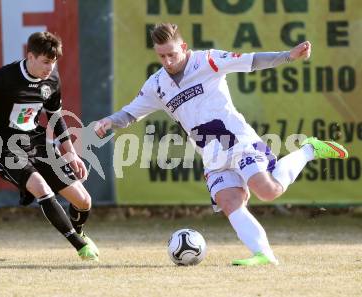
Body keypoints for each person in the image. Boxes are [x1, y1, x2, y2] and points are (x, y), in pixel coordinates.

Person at [95, 23, 349, 266]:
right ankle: (264, 255)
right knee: (230, 203)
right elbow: (130, 113)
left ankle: (309, 149)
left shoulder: (207, 60)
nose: (167, 61)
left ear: (183, 47)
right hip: (211, 155)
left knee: (268, 191)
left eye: (171, 54)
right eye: (161, 56)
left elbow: (251, 61)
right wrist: (108, 121)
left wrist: (288, 56)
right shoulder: (157, 84)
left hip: (238, 140)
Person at [0, 32, 99, 261]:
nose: (50, 68)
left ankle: (78, 231)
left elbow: (54, 116)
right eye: (46, 62)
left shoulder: (51, 80)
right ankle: (80, 246)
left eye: (54, 62)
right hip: (3, 146)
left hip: (36, 143)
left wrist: (70, 152)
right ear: (30, 57)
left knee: (83, 201)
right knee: (42, 188)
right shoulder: (4, 78)